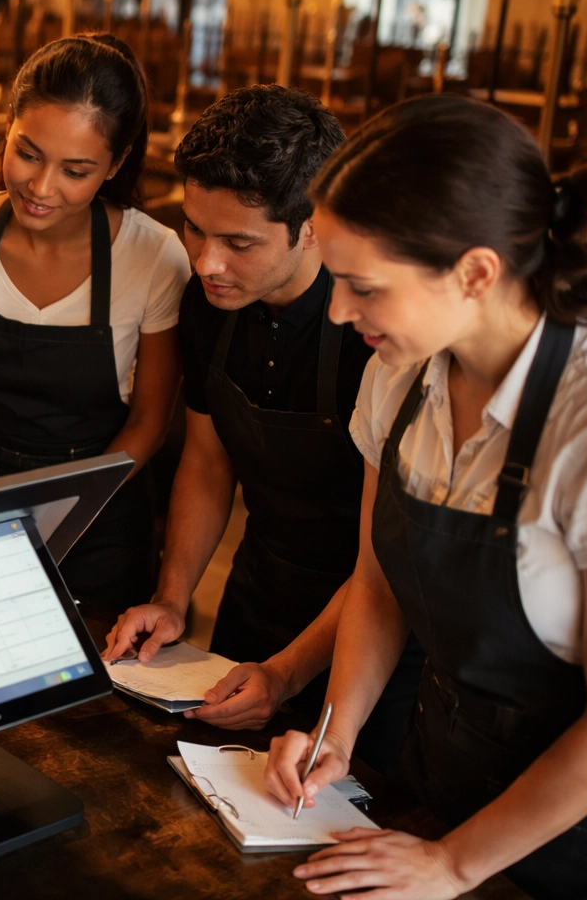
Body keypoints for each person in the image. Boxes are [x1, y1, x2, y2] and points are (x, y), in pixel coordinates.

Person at [264, 97, 587, 899]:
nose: (341, 311)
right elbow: (380, 585)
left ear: (476, 272)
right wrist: (335, 733)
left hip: (574, 846)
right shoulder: (399, 375)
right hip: (442, 790)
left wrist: (455, 863)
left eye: (364, 287)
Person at [100, 86, 421, 775]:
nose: (207, 262)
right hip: (255, 596)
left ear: (312, 226)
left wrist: (287, 673)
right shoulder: (208, 306)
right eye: (193, 229)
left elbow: (382, 569)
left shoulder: (374, 338)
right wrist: (172, 596)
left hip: (369, 636)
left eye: (238, 242)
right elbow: (208, 464)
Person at [0, 33, 189, 612]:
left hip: (101, 519)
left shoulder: (154, 256)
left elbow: (149, 422)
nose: (41, 188)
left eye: (76, 170)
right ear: (8, 124)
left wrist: (67, 516)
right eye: (29, 153)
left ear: (115, 165)